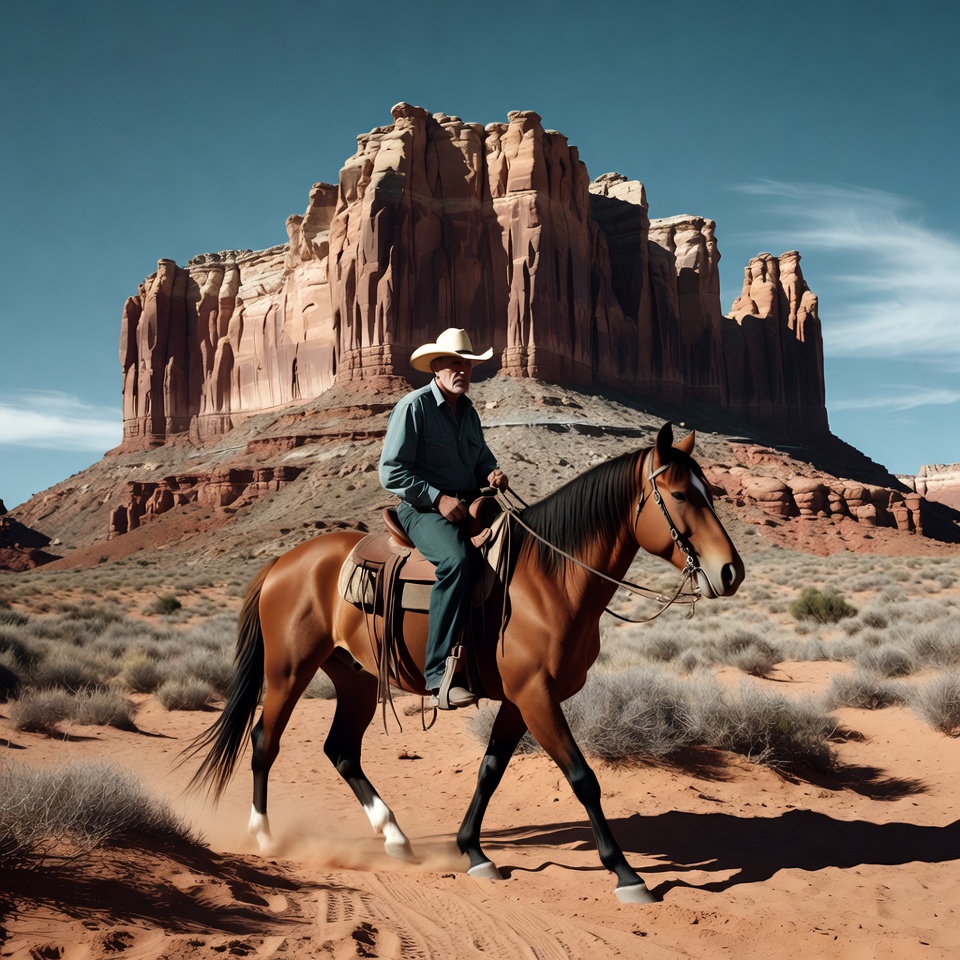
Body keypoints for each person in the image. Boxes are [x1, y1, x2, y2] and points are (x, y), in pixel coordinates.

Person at [379, 328, 509, 709]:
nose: (462, 370)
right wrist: (437, 499)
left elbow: (481, 457)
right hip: (420, 511)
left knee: (518, 543)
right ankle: (439, 676)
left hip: (468, 504)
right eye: (455, 363)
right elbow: (391, 473)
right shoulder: (413, 407)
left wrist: (491, 473)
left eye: (467, 364)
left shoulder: (468, 412)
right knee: (457, 562)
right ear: (436, 367)